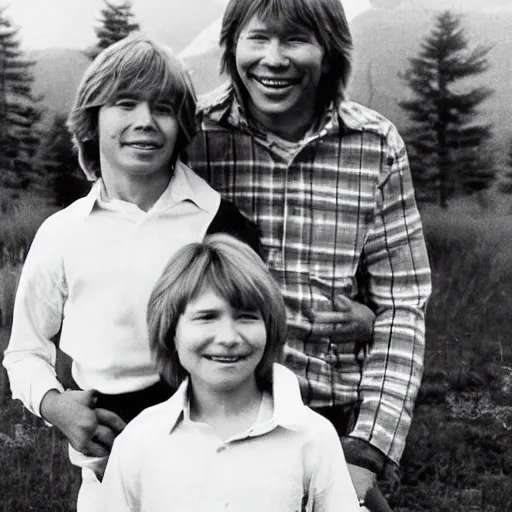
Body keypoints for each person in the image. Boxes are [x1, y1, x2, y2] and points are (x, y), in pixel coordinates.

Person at [185, 0, 432, 504]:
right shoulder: (194, 138)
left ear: (329, 51)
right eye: (258, 38)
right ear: (232, 46)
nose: (273, 59)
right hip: (210, 415)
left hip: (330, 417)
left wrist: (366, 450)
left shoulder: (375, 145)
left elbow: (403, 306)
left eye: (296, 39)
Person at [3, 34, 259, 511]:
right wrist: (55, 406)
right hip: (105, 481)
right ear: (91, 119)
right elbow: (24, 351)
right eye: (125, 103)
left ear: (182, 126)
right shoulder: (62, 233)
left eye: (163, 108)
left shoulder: (221, 228)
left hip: (213, 477)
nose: (145, 121)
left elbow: (255, 357)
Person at [101, 233, 362, 512]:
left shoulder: (313, 438)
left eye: (247, 316)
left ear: (269, 328)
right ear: (171, 333)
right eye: (207, 317)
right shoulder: (139, 441)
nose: (228, 337)